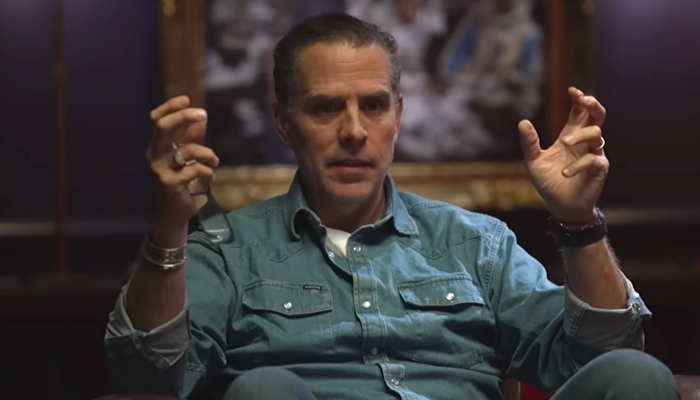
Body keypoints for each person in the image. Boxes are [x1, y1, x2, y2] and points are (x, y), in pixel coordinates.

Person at [105, 13, 679, 400]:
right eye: (326, 108)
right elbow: (148, 377)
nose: (354, 131)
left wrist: (579, 224)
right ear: (283, 122)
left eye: (374, 106)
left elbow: (596, 356)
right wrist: (170, 225)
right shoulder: (227, 250)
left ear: (398, 116)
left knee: (636, 375)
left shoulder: (475, 243)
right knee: (264, 391)